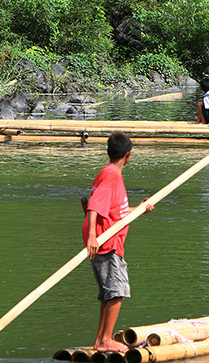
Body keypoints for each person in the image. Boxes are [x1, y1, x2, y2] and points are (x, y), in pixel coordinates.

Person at [82, 131, 153, 352]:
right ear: (129, 155)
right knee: (117, 291)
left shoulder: (108, 173)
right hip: (106, 242)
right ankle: (105, 340)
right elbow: (94, 205)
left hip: (108, 240)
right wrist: (93, 236)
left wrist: (139, 210)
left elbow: (117, 212)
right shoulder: (112, 176)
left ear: (108, 152)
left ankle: (100, 340)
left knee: (109, 293)